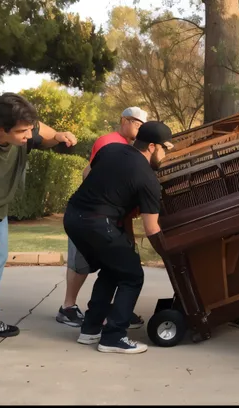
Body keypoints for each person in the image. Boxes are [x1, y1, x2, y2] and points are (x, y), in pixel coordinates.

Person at [0, 93, 78, 370]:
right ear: (0, 129)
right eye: (22, 132)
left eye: (28, 129)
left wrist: (57, 135)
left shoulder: (21, 126)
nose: (28, 136)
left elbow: (41, 130)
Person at [63, 121, 173, 354]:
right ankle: (114, 337)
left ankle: (90, 329)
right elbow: (152, 228)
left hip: (73, 217)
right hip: (99, 224)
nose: (165, 155)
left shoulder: (110, 149)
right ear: (152, 147)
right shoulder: (148, 178)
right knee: (132, 275)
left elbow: (87, 173)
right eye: (165, 149)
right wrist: (170, 255)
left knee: (113, 270)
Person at [56, 107, 148, 329]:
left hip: (107, 216)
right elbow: (90, 173)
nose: (139, 128)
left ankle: (115, 310)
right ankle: (68, 307)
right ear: (123, 120)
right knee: (80, 263)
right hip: (91, 214)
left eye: (143, 125)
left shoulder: (131, 148)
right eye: (136, 123)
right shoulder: (109, 141)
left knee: (113, 265)